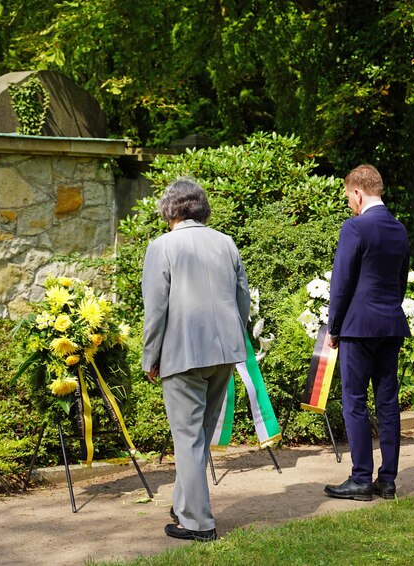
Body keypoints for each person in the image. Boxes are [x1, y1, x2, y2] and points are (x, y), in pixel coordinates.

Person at [142, 178, 250, 542]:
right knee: (199, 435)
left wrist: (149, 357)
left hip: (182, 354)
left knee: (188, 438)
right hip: (224, 352)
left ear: (169, 210)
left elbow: (155, 311)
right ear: (201, 207)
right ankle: (184, 504)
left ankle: (198, 524)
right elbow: (242, 301)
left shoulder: (162, 246)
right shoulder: (226, 243)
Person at [324, 164, 411, 501]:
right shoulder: (399, 229)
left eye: (349, 197)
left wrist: (334, 326)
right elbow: (401, 280)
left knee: (355, 401)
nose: (350, 203)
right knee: (387, 402)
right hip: (391, 323)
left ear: (358, 192)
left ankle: (361, 478)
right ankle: (387, 480)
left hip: (358, 327)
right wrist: (389, 308)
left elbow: (341, 282)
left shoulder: (355, 227)